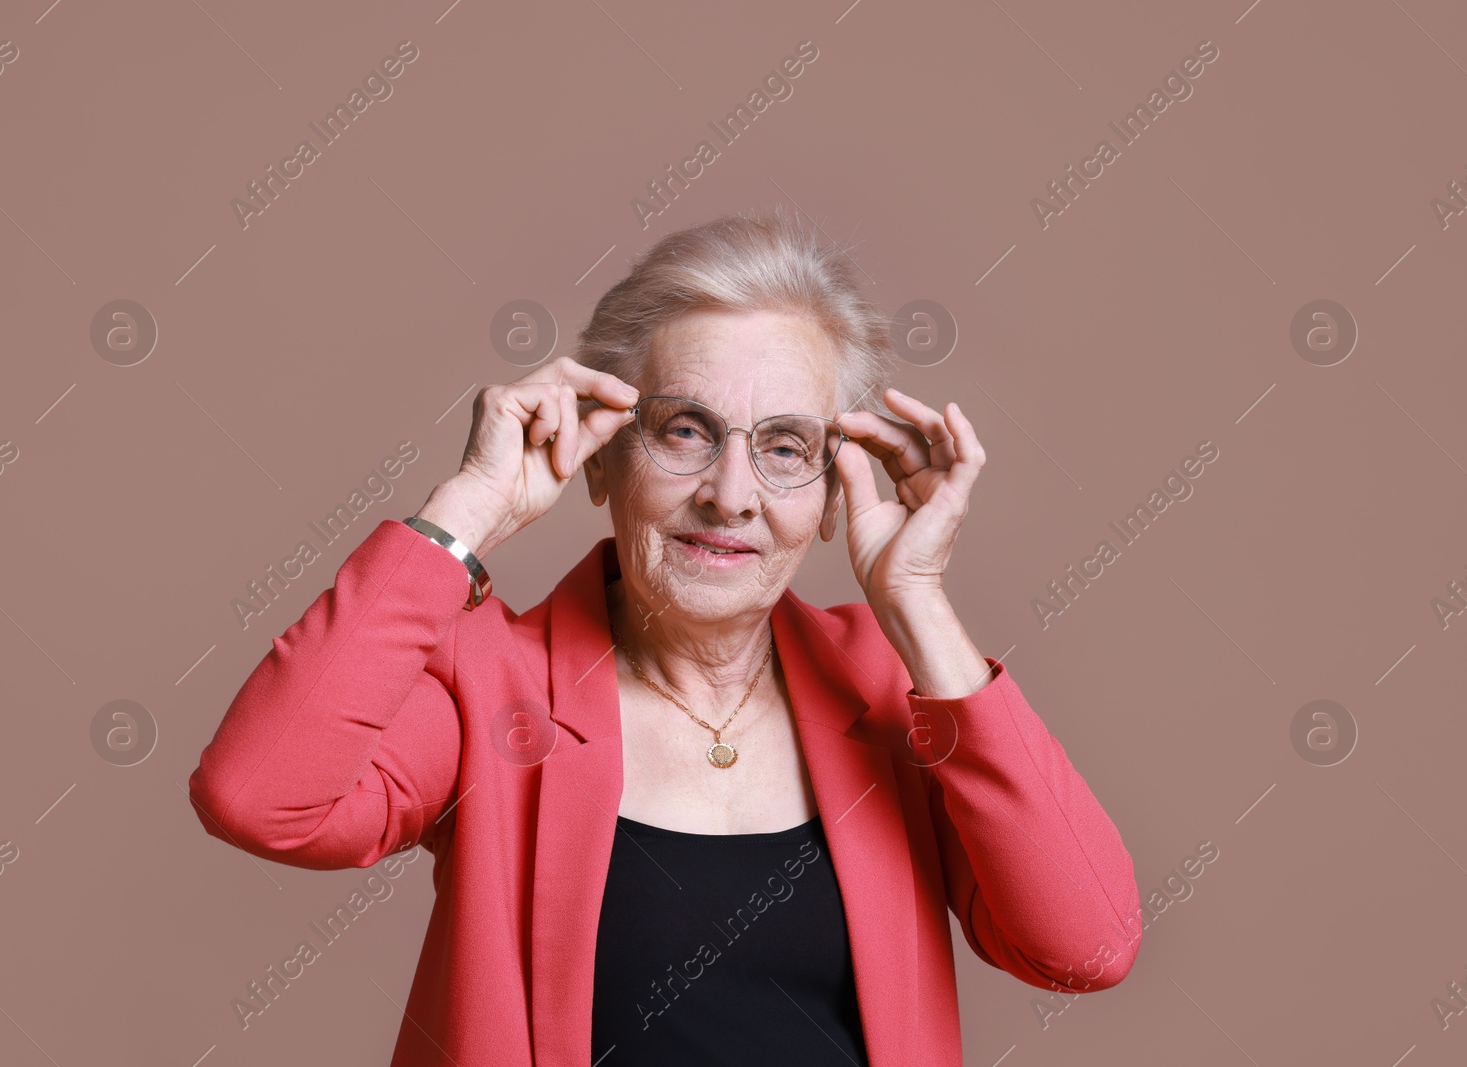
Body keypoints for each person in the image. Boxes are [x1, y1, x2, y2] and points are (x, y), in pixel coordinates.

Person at [187, 207, 1140, 1066]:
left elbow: (1088, 948)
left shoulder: (894, 687)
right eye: (686, 430)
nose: (731, 493)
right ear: (603, 462)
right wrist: (463, 514)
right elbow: (258, 798)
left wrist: (921, 604)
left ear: (831, 492)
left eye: (783, 447)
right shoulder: (490, 684)